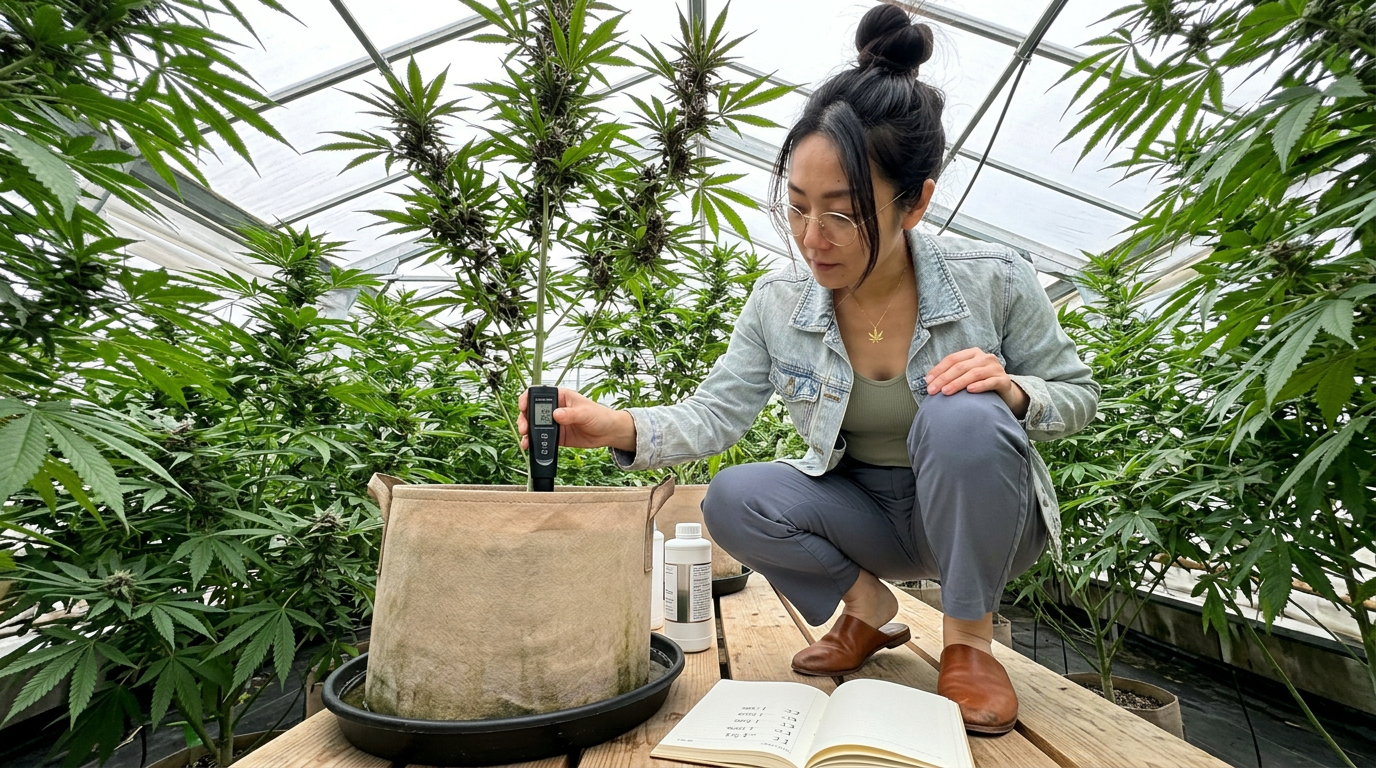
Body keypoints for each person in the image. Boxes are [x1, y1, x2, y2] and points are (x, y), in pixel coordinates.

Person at [518, 4, 1099, 735]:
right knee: (732, 498)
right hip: (866, 516)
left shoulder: (996, 278)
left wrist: (1015, 391)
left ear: (915, 201)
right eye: (796, 209)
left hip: (983, 517)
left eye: (842, 214)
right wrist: (617, 426)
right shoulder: (779, 301)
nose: (811, 240)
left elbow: (1078, 395)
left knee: (963, 414)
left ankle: (968, 643)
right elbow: (716, 414)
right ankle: (867, 609)